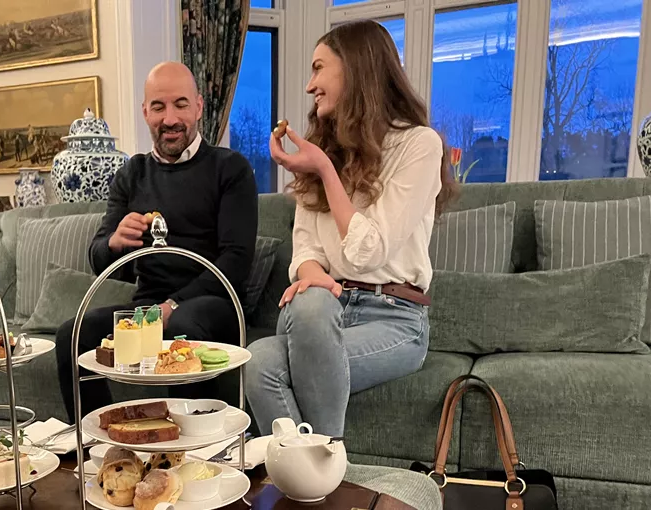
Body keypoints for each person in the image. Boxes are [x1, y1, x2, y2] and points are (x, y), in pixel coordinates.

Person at [245, 20, 459, 438]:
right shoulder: (323, 152)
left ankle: (316, 475)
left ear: (356, 69)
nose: (310, 85)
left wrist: (325, 171)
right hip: (327, 315)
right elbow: (306, 251)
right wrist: (311, 278)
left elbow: (369, 250)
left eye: (319, 68)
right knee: (263, 352)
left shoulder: (420, 145)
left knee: (273, 362)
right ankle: (323, 475)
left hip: (395, 318)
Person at [55, 62, 258, 422]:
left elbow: (236, 261)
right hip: (148, 308)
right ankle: (104, 438)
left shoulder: (230, 168)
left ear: (198, 107)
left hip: (215, 305)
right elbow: (100, 261)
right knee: (72, 332)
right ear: (145, 111)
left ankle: (191, 447)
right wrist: (116, 242)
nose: (170, 118)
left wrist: (174, 305)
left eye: (180, 105)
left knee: (184, 326)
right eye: (159, 107)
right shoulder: (131, 173)